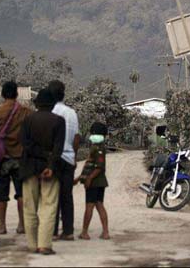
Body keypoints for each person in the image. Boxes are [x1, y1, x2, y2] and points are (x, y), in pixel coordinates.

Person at [19, 88, 66, 255]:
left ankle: (32, 244)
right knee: (49, 206)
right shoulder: (59, 121)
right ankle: (44, 244)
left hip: (29, 167)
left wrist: (40, 155)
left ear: (36, 104)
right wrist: (50, 165)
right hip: (50, 169)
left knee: (29, 207)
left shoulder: (27, 120)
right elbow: (58, 148)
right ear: (53, 105)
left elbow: (25, 144)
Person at [0, 81, 33, 235]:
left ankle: (2, 225)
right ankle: (22, 225)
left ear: (3, 94)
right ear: (16, 94)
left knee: (2, 193)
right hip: (20, 157)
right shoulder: (26, 112)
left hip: (2, 158)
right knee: (21, 193)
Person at [48, 80, 80, 241]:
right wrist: (73, 156)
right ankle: (68, 231)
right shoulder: (71, 113)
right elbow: (76, 138)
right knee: (67, 196)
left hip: (52, 159)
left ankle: (52, 230)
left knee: (51, 195)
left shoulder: (48, 112)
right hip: (68, 158)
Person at [75, 121, 110, 240]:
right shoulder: (97, 147)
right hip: (100, 182)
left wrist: (89, 179)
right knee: (100, 205)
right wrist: (79, 178)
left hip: (94, 183)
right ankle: (105, 232)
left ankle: (85, 232)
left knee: (89, 206)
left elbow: (99, 167)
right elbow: (89, 166)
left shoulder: (98, 148)